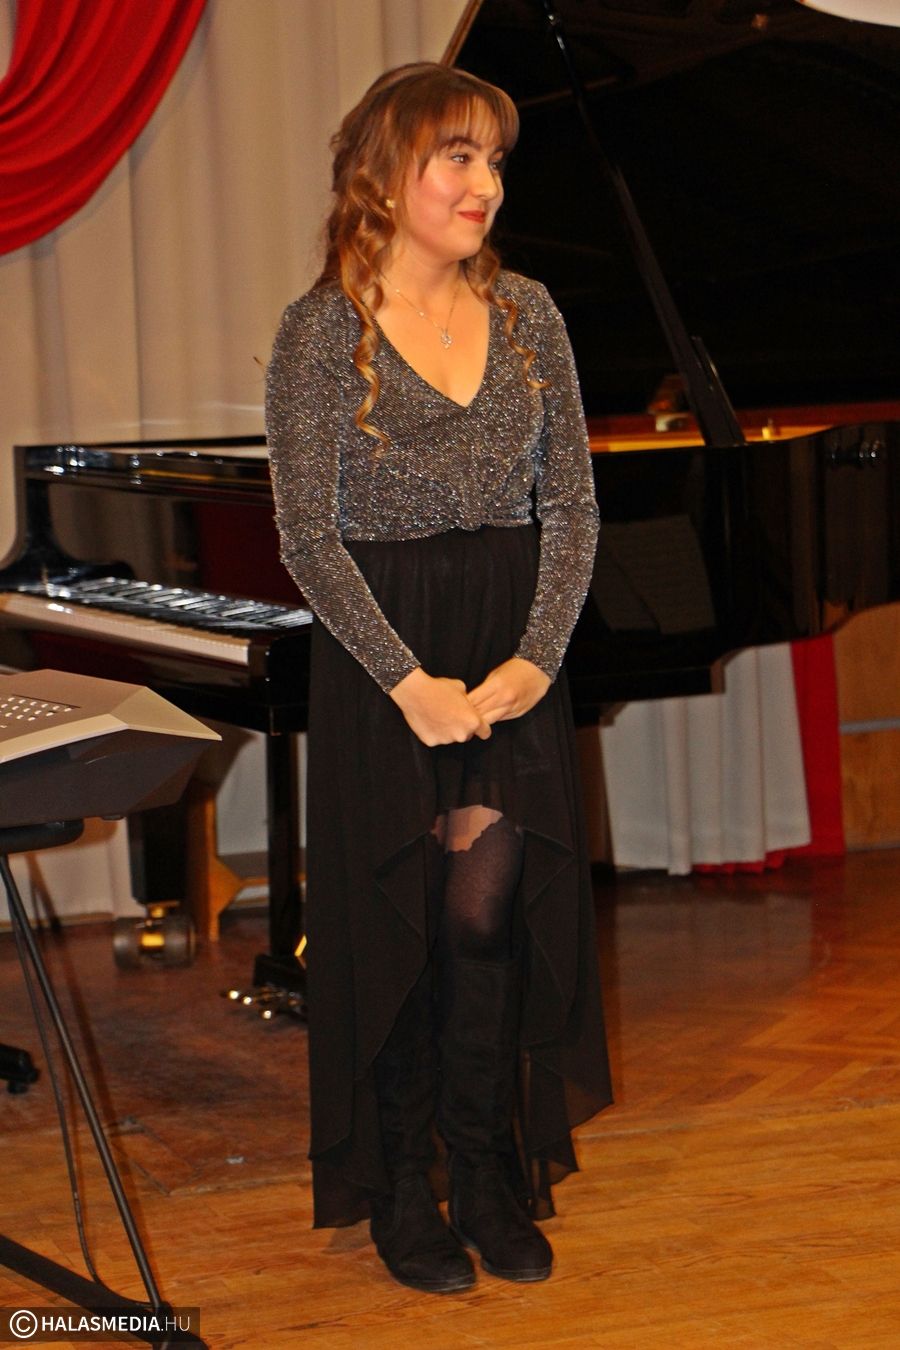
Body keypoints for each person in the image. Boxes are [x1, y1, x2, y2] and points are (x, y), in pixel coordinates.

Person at [265, 61, 612, 1295]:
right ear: (383, 174)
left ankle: (485, 1166)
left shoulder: (530, 314)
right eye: (457, 157)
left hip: (510, 651)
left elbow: (574, 507)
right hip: (389, 659)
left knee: (484, 917)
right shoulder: (321, 333)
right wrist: (408, 680)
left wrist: (536, 657)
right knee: (404, 921)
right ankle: (404, 1184)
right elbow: (307, 535)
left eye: (494, 160)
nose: (485, 184)